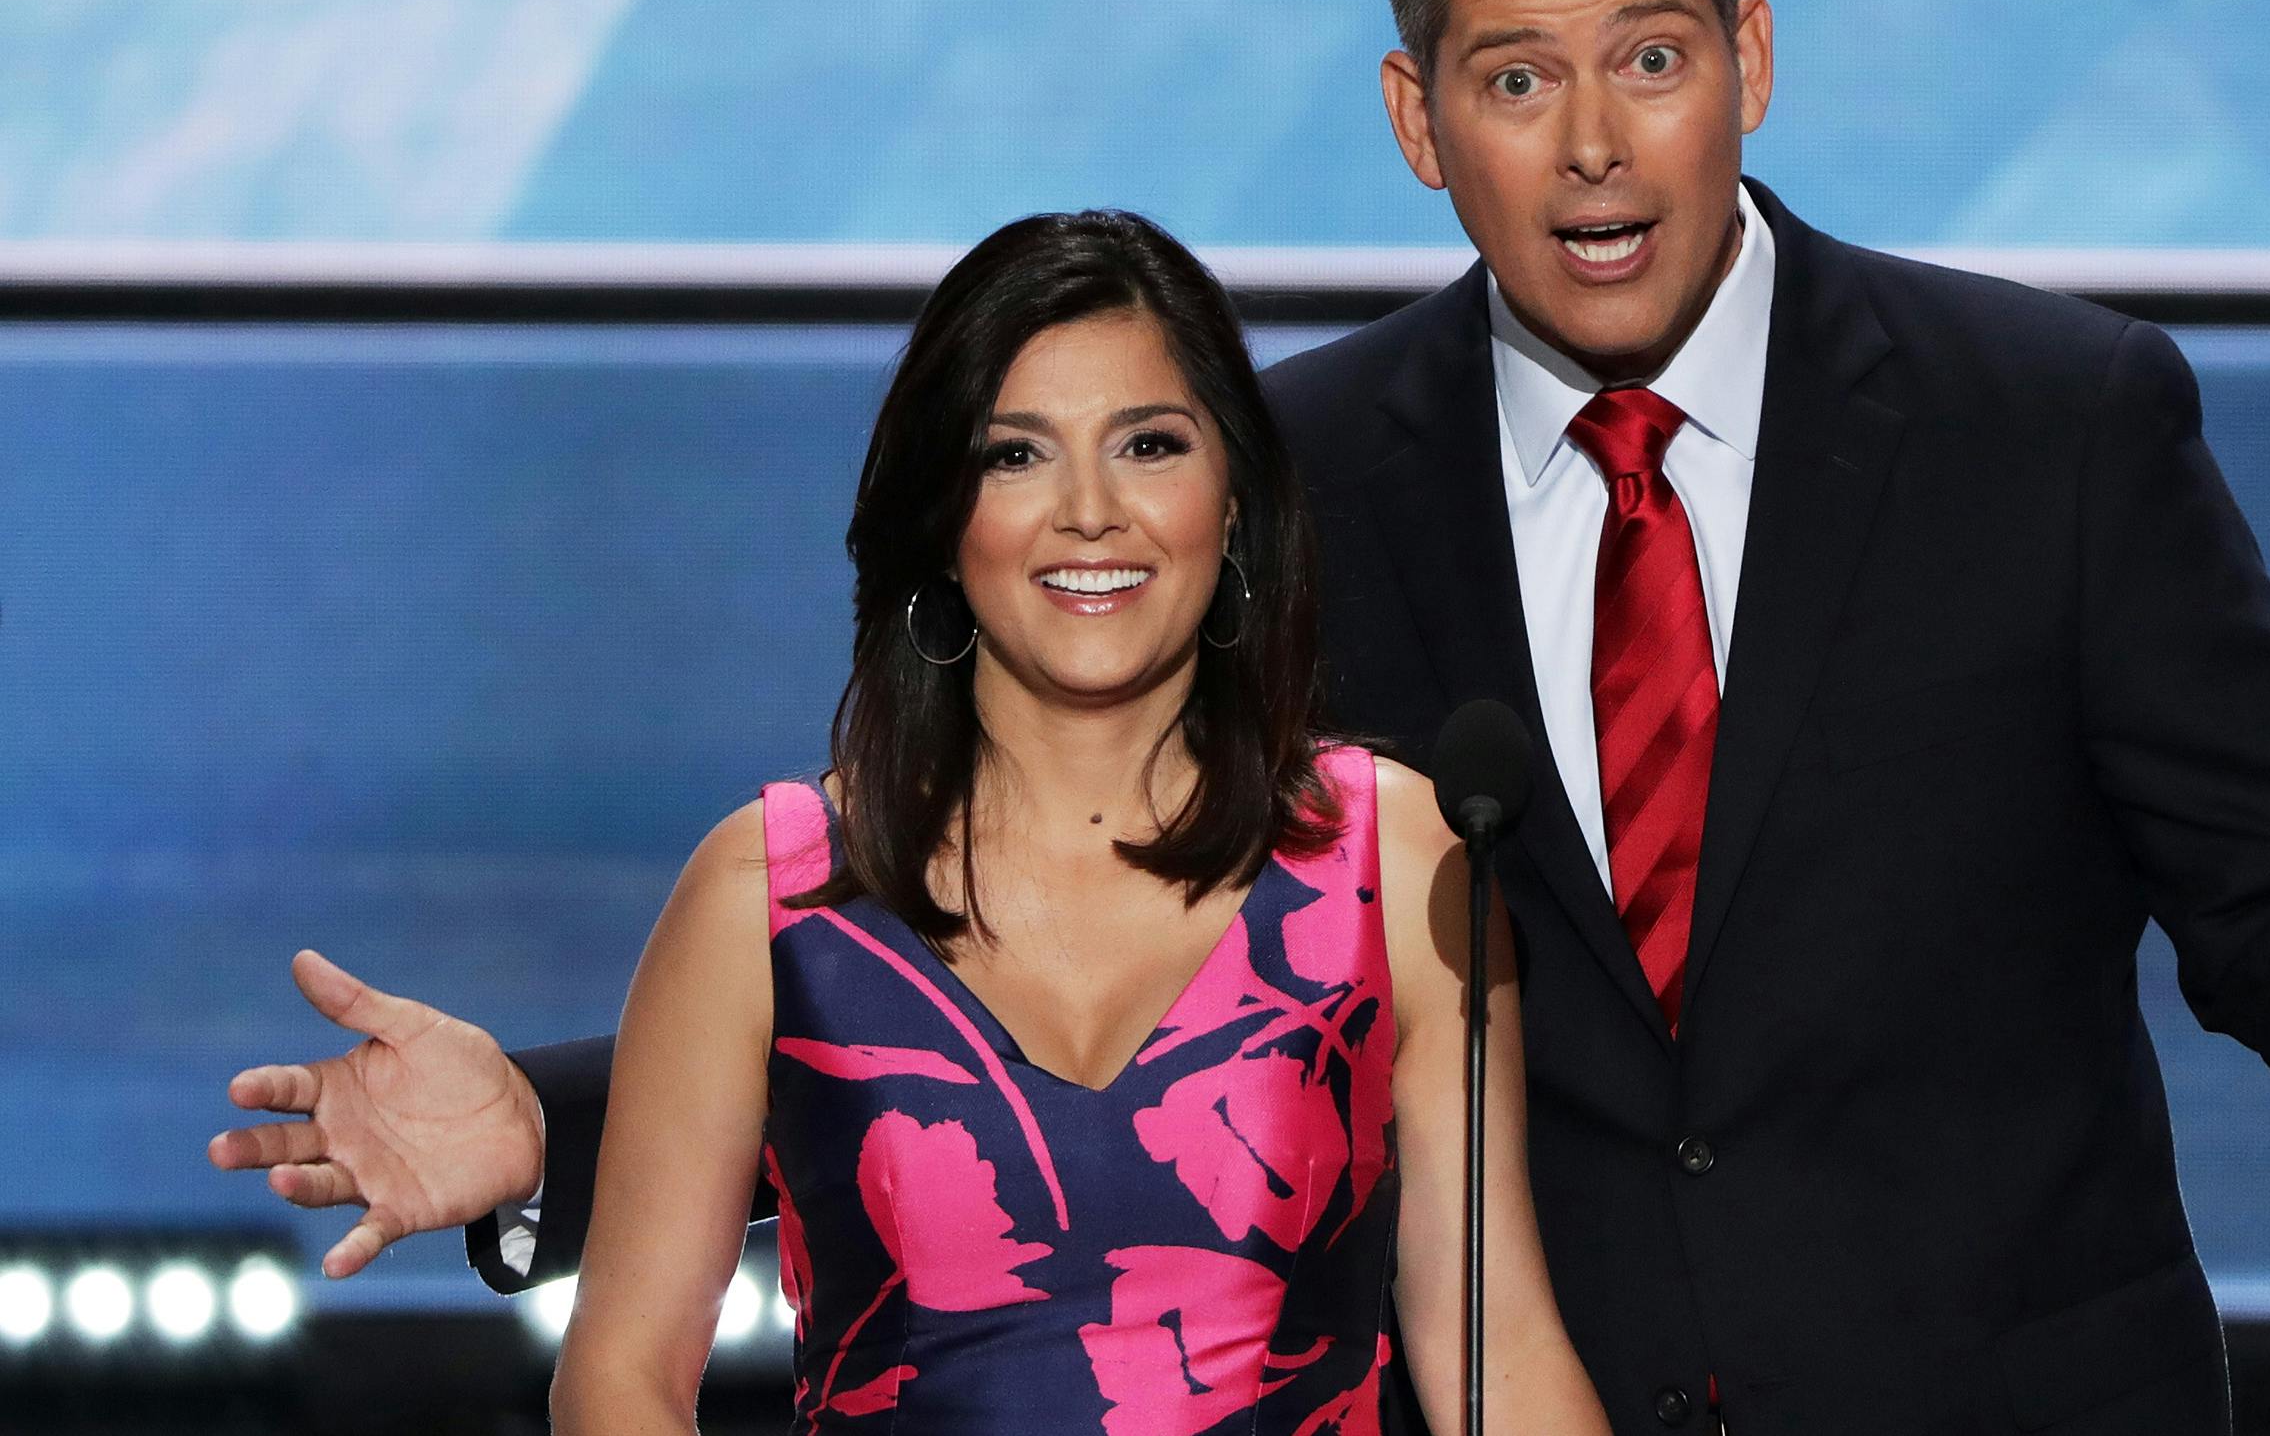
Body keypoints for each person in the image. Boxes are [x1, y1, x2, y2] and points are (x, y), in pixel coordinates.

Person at [212, 0, 2270, 1434]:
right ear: (1417, 118)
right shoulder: (1274, 477)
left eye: (1652, 57)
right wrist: (545, 1139)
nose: (1596, 146)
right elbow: (1023, 943)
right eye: (1516, 79)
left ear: (1750, 62)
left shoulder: (2054, 423)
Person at [258, 210, 1610, 1432]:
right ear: (942, 524)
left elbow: (1496, 1355)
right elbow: (621, 1380)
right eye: (1015, 455)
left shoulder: (1398, 859)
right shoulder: (769, 893)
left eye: (1149, 445)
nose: (1092, 512)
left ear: (1236, 499)